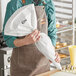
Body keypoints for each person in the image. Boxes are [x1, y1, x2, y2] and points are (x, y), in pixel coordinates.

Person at [2, 0, 60, 76]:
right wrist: (25, 41)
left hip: (43, 68)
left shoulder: (48, 3)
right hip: (21, 69)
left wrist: (51, 52)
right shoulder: (14, 4)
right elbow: (8, 39)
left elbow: (52, 33)